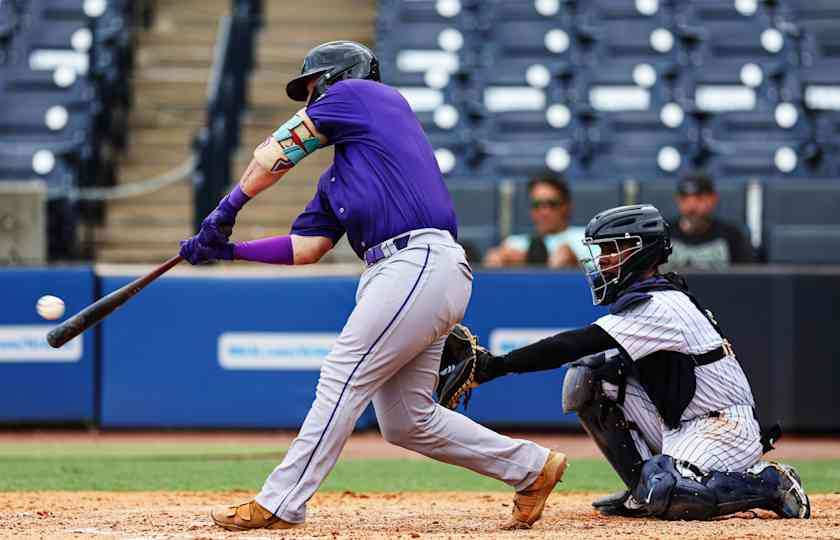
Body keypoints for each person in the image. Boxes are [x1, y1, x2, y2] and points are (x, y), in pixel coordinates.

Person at [178, 41, 564, 532]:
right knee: (407, 421)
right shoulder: (340, 177)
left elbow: (276, 152)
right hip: (401, 273)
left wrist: (226, 208)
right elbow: (307, 247)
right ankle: (531, 468)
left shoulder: (362, 94)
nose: (310, 98)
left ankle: (280, 501)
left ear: (338, 77)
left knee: (342, 374)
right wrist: (231, 251)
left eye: (313, 86)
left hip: (417, 260)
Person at [436, 204, 810, 521]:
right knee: (592, 377)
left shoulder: (660, 304)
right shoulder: (649, 297)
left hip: (724, 427)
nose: (602, 260)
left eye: (612, 249)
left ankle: (771, 483)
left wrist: (495, 366)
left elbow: (573, 343)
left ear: (640, 251)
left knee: (669, 491)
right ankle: (641, 489)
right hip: (681, 422)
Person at [484, 175, 587, 268]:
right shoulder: (513, 243)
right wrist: (496, 260)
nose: (544, 212)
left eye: (552, 204)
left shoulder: (587, 239)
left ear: (567, 207)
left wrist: (575, 263)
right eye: (537, 205)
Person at [667, 172, 755, 269]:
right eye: (685, 199)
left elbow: (749, 274)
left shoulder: (732, 236)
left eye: (699, 199)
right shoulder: (663, 235)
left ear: (714, 199)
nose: (692, 206)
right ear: (677, 200)